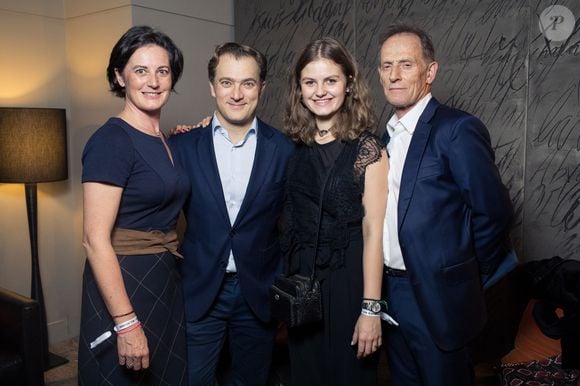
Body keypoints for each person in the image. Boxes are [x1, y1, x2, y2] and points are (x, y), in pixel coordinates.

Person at [377, 23, 514, 386]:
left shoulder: (457, 129)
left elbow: (494, 212)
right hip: (391, 293)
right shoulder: (382, 137)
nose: (394, 75)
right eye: (386, 66)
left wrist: (465, 274)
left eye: (406, 64)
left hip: (439, 299)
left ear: (430, 71)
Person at [169, 42, 295, 386]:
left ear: (262, 88)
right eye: (226, 82)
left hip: (258, 292)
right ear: (212, 87)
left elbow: (294, 228)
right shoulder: (181, 147)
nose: (236, 94)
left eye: (248, 83)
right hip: (199, 290)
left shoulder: (285, 151)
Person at [78, 26, 188, 385]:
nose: (153, 81)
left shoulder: (166, 140)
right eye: (140, 70)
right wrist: (125, 321)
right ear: (119, 76)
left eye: (163, 71)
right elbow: (94, 239)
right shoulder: (111, 140)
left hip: (163, 277)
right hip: (125, 282)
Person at [281, 37, 388, 386]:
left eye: (331, 80)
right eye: (310, 82)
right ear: (299, 89)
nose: (320, 91)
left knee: (350, 377)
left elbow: (374, 231)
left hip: (349, 282)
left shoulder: (367, 149)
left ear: (349, 84)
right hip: (303, 286)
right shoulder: (294, 147)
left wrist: (370, 308)